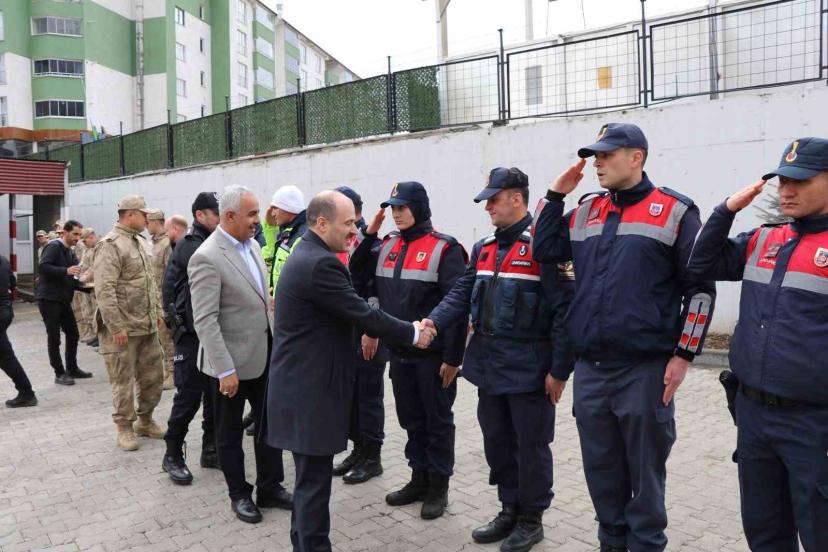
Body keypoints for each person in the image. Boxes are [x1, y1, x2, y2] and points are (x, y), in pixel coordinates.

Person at [532, 123, 717, 552]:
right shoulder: (586, 210)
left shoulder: (675, 211)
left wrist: (685, 355)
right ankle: (611, 543)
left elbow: (700, 290)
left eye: (607, 155)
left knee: (645, 478)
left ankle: (646, 544)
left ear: (636, 157)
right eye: (594, 155)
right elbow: (543, 249)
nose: (597, 163)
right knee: (601, 472)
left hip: (644, 372)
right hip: (592, 371)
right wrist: (555, 196)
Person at [262, 190, 436, 552]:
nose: (354, 230)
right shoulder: (320, 264)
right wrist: (413, 332)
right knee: (313, 487)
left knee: (308, 485)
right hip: (310, 395)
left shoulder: (308, 253)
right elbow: (362, 313)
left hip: (300, 389)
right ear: (321, 223)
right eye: (348, 224)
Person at [686, 137, 828, 552]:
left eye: (800, 181)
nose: (787, 190)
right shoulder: (765, 239)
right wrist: (725, 212)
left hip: (813, 425)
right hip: (754, 417)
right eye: (783, 180)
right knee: (764, 533)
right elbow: (701, 263)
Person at [422, 167, 574, 551]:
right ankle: (509, 508)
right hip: (488, 366)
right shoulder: (485, 247)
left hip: (529, 368)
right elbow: (462, 291)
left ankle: (531, 519)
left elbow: (564, 311)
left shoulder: (543, 245)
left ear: (516, 198)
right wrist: (434, 322)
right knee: (498, 443)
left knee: (531, 447)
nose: (487, 206)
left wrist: (559, 370)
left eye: (493, 199)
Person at [350, 181, 467, 520]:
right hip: (399, 353)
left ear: (419, 207)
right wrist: (369, 234)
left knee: (437, 422)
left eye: (402, 207)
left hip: (434, 358)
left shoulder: (445, 248)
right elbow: (357, 276)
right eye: (393, 208)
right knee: (411, 420)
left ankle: (438, 487)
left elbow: (458, 306)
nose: (396, 214)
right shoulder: (387, 243)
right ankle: (419, 478)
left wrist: (453, 358)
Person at [188, 185, 292, 523]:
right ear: (230, 216)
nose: (258, 220)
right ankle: (239, 494)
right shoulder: (206, 256)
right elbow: (205, 321)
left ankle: (270, 487)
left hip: (263, 356)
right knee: (230, 434)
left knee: (269, 427)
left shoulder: (253, 245)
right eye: (252, 214)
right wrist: (225, 370)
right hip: (229, 367)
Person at [94, 195, 166, 451]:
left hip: (147, 325)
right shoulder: (110, 245)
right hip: (123, 330)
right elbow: (105, 290)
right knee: (122, 381)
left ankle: (145, 421)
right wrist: (116, 327)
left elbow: (151, 282)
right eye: (143, 214)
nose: (148, 219)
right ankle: (124, 427)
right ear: (130, 214)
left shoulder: (141, 242)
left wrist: (157, 311)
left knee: (153, 377)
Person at [329, 186, 390, 484]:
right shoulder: (343, 238)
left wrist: (371, 330)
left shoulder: (373, 242)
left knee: (369, 396)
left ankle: (372, 457)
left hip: (368, 332)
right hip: (349, 331)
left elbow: (375, 288)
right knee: (352, 396)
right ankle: (358, 450)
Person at [161, 192, 222, 484]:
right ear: (201, 215)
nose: (220, 218)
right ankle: (172, 454)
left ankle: (210, 450)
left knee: (214, 394)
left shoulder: (208, 241)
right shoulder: (192, 246)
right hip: (190, 334)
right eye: (216, 213)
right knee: (188, 396)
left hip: (207, 331)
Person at [37, 220, 92, 385]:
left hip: (63, 300)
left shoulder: (70, 251)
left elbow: (73, 277)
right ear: (65, 232)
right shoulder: (54, 247)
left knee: (73, 334)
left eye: (79, 235)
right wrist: (65, 270)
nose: (77, 238)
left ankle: (72, 368)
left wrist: (88, 288)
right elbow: (43, 267)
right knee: (54, 338)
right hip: (49, 299)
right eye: (75, 234)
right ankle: (59, 373)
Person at [1, 254, 37, 408]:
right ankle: (26, 392)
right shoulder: (3, 260)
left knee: (6, 357)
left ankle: (27, 393)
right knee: (5, 356)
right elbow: (12, 282)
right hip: (5, 309)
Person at [147, 209, 175, 390]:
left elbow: (171, 274)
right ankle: (167, 371)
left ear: (156, 222)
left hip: (164, 299)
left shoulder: (166, 244)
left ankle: (173, 373)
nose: (146, 226)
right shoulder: (153, 244)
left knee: (167, 339)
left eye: (148, 222)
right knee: (161, 339)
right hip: (154, 299)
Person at [262, 184, 307, 295]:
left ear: (288, 207)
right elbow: (274, 252)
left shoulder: (301, 237)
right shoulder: (289, 232)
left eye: (275, 208)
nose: (272, 213)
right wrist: (271, 228)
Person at [78, 229, 100, 348]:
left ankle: (101, 339)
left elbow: (94, 268)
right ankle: (96, 336)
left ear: (91, 237)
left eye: (85, 241)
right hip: (91, 286)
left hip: (99, 285)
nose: (84, 244)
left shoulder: (100, 248)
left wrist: (81, 278)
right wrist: (78, 276)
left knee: (99, 313)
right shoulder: (89, 249)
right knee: (91, 312)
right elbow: (84, 265)